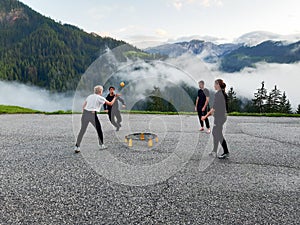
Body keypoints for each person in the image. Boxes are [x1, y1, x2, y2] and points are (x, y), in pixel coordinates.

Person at [74, 85, 120, 153]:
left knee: (82, 130)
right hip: (92, 115)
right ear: (100, 91)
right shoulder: (100, 98)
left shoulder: (90, 96)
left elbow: (84, 106)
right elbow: (110, 104)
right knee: (99, 129)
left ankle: (77, 146)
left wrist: (85, 113)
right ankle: (101, 145)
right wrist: (115, 97)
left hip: (85, 114)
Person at [201, 79, 229, 159]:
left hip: (220, 117)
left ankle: (226, 152)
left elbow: (213, 109)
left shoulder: (218, 94)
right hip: (222, 116)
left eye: (215, 84)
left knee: (218, 134)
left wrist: (205, 117)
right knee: (215, 133)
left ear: (218, 85)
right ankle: (214, 151)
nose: (214, 86)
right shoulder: (223, 94)